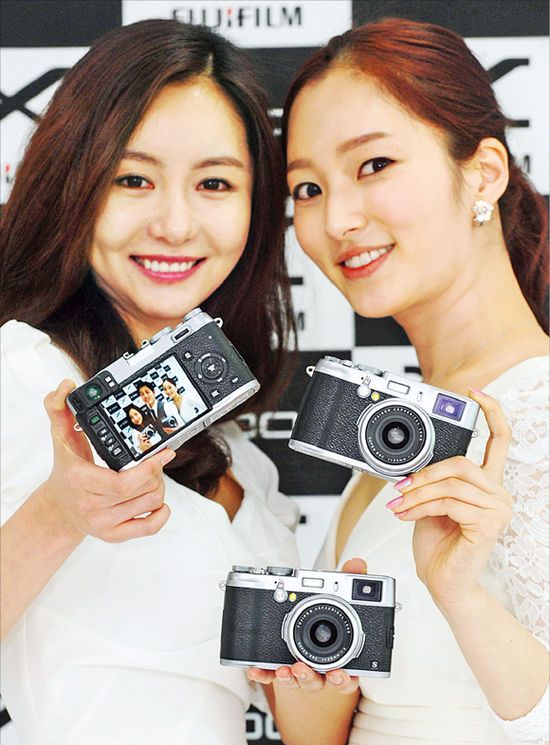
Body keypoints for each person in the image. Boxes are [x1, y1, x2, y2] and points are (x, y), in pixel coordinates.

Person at [248, 17, 549, 745]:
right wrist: (310, 690)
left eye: (374, 164)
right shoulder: (387, 443)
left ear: (484, 172)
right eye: (307, 188)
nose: (336, 218)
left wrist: (461, 595)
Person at [0, 19, 300, 745]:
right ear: (73, 185)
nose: (174, 223)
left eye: (215, 183)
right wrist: (56, 515)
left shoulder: (238, 452)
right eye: (133, 179)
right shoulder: (26, 375)